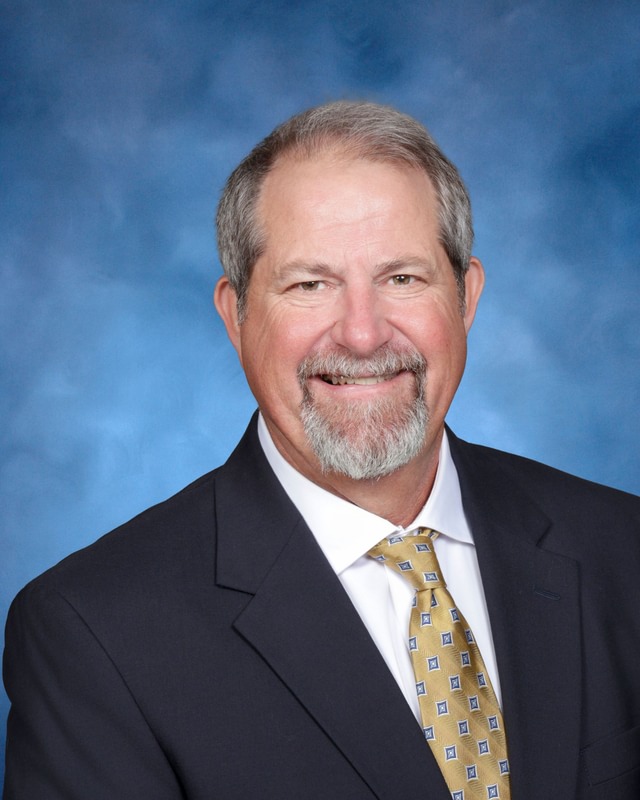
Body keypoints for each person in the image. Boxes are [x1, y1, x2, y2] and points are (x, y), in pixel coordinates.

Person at [3, 101, 639, 800]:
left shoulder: (622, 550)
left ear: (466, 298)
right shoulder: (94, 632)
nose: (363, 336)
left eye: (403, 278)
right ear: (236, 316)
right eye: (310, 285)